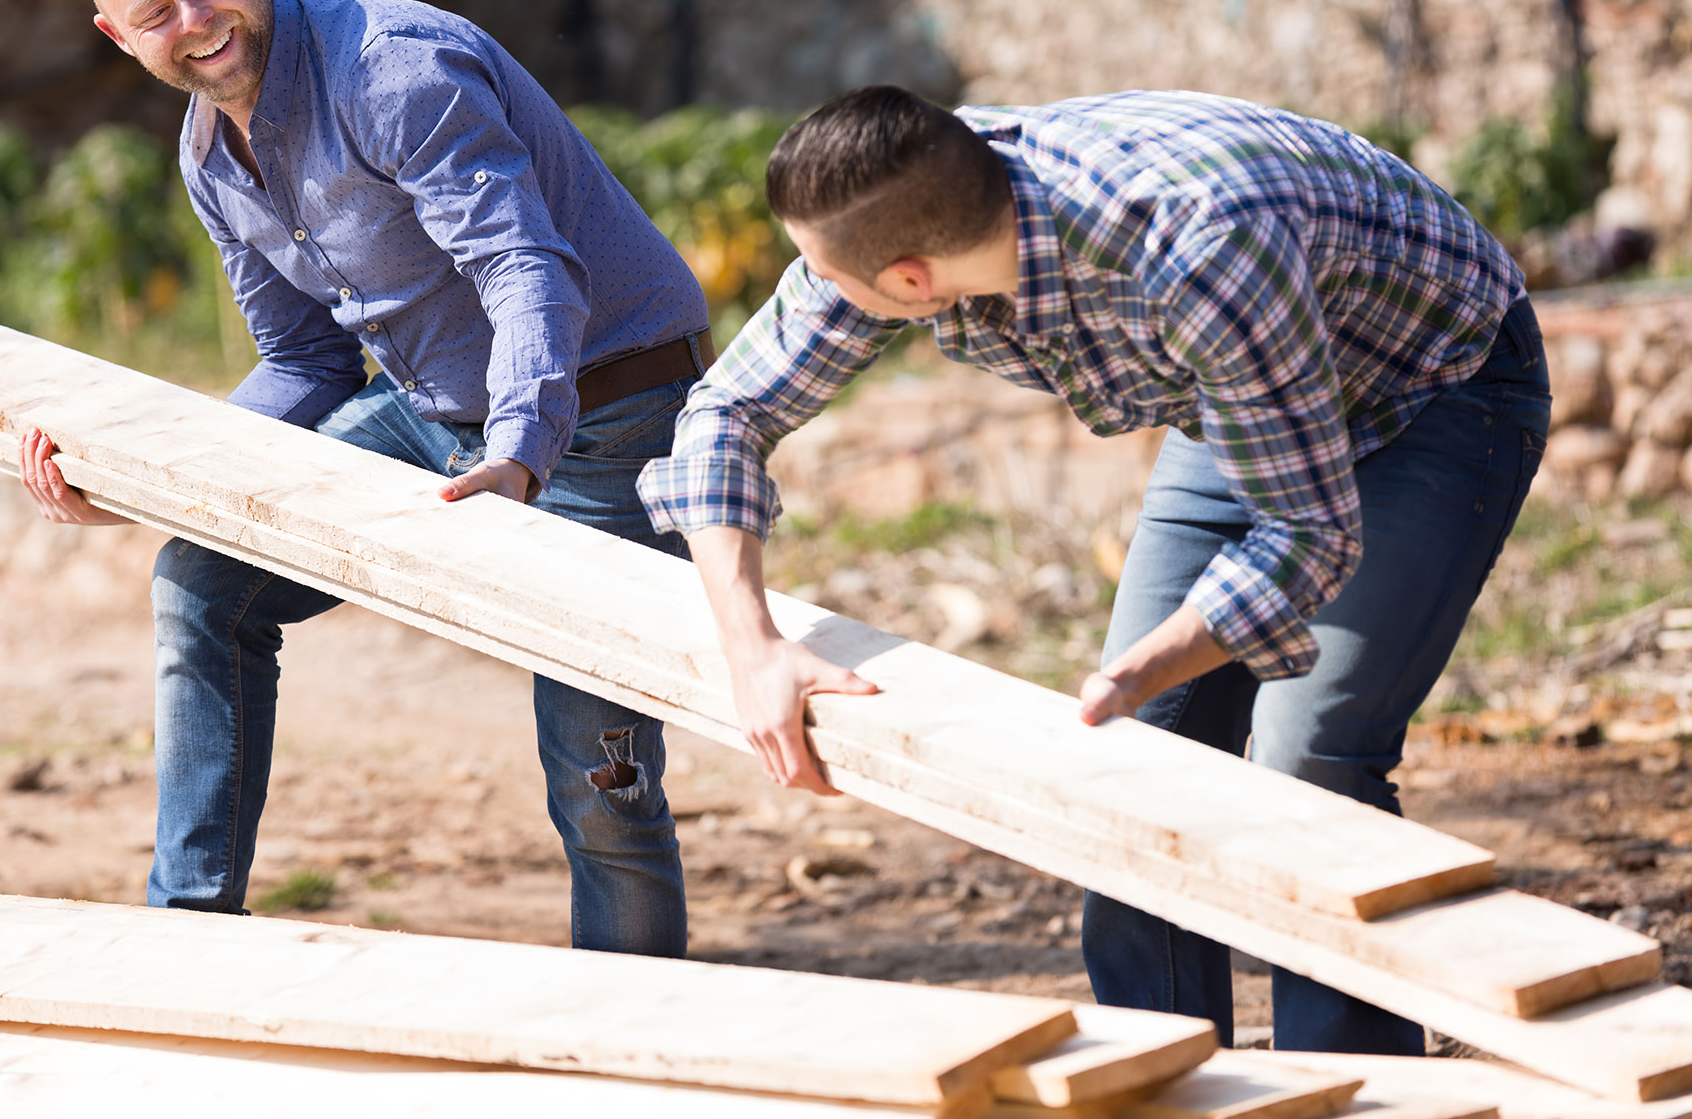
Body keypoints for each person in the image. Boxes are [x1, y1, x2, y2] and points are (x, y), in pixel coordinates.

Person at [637, 84, 1549, 1050]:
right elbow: (727, 415)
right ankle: (1166, 1076)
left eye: (816, 266)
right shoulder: (919, 202)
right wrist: (755, 646)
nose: (807, 280)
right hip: (1240, 390)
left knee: (1307, 764)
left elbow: (1308, 532)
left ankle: (1348, 1089)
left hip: (1432, 379)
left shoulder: (1193, 250)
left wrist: (1148, 666)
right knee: (1131, 766)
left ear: (909, 280)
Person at [17, 0, 712, 958]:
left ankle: (638, 1042)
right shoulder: (211, 154)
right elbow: (303, 356)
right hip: (434, 414)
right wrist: (142, 475)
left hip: (605, 411)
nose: (195, 24)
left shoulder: (392, 69)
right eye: (155, 13)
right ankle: (190, 940)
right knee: (202, 582)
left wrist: (520, 455)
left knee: (598, 774)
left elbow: (526, 268)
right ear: (116, 35)